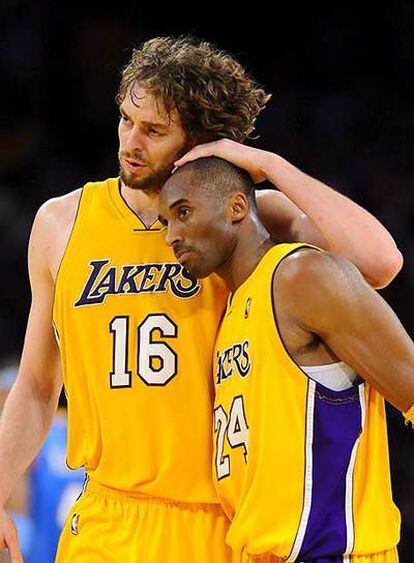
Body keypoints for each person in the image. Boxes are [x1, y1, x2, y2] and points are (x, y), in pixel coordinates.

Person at [0, 36, 403, 563]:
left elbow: (380, 262)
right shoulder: (61, 223)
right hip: (107, 515)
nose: (131, 142)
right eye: (126, 120)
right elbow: (34, 386)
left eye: (154, 131)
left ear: (198, 142)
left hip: (221, 522)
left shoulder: (243, 220)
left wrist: (263, 164)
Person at [158, 156, 414, 563]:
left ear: (237, 207)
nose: (172, 235)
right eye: (165, 223)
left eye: (183, 213)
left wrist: (268, 164)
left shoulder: (302, 276)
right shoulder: (232, 310)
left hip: (330, 552)